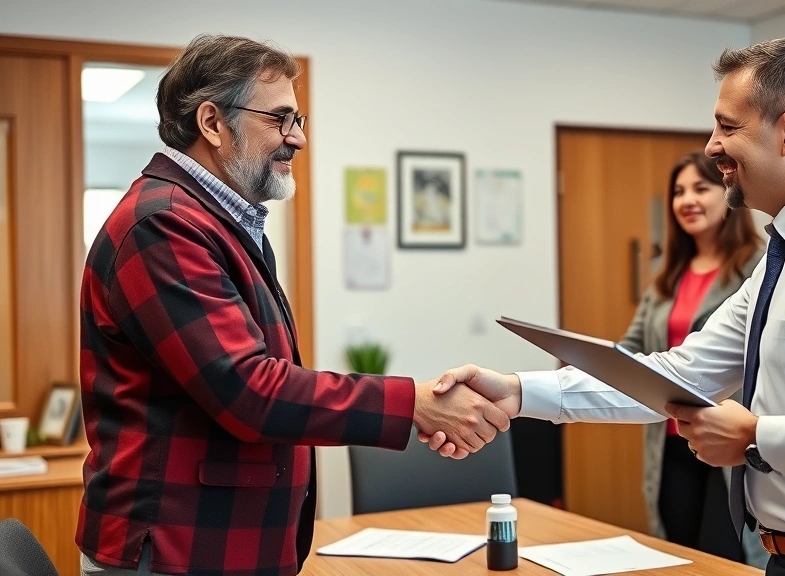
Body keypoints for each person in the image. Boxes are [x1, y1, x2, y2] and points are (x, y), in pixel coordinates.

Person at [425, 35, 785, 576]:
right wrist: (519, 392)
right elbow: (678, 374)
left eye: (728, 127)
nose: (712, 146)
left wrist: (755, 438)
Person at [77, 35, 508, 576]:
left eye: (297, 120)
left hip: (211, 545)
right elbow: (249, 390)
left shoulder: (218, 223)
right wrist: (412, 403)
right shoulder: (162, 225)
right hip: (172, 550)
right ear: (212, 123)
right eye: (280, 119)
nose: (298, 138)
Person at [618, 151, 763, 564]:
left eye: (700, 188)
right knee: (678, 556)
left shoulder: (759, 266)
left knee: (726, 555)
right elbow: (631, 348)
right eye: (678, 192)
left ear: (727, 193)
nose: (687, 200)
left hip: (728, 440)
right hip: (670, 439)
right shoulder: (667, 275)